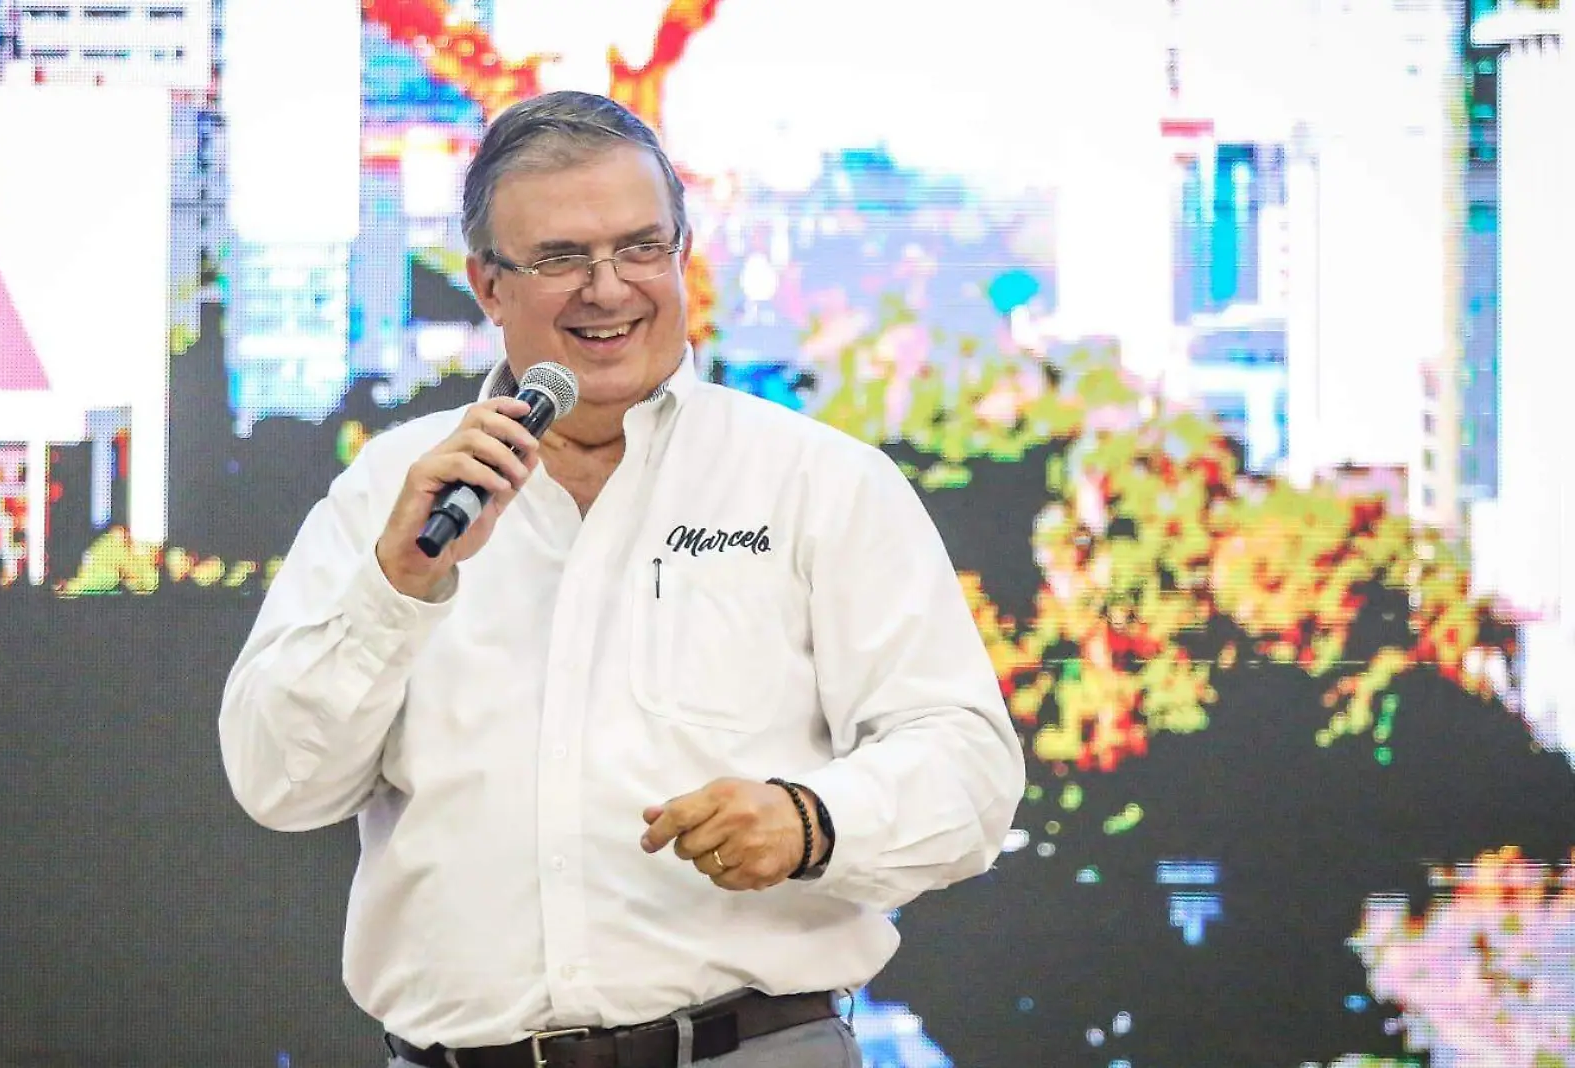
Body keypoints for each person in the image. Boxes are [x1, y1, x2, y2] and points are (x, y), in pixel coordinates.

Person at [218, 90, 1026, 1068]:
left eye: (642, 248)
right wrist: (396, 585)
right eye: (561, 258)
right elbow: (278, 784)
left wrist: (815, 822)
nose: (609, 288)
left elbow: (969, 770)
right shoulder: (392, 495)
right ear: (487, 284)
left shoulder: (816, 481)